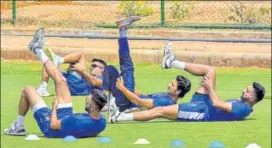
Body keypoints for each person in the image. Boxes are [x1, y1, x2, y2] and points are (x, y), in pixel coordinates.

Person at [109, 41, 266, 122]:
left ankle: (120, 117)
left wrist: (210, 88)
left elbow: (218, 105)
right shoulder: (241, 104)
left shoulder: (243, 109)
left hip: (202, 113)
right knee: (211, 70)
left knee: (160, 111)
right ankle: (172, 62)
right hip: (205, 104)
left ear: (252, 98)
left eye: (247, 91)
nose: (243, 91)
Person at [4, 28, 108, 138]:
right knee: (61, 80)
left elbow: (53, 125)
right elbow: (82, 126)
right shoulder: (102, 122)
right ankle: (38, 50)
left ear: (92, 107)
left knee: (28, 90)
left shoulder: (76, 120)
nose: (85, 99)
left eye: (88, 99)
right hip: (67, 118)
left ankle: (18, 127)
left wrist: (54, 108)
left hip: (51, 128)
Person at [106, 16, 191, 113]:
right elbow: (143, 97)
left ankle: (123, 28)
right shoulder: (167, 97)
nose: (169, 85)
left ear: (178, 91)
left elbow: (139, 102)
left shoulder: (166, 102)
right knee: (123, 69)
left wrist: (122, 88)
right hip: (129, 99)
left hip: (129, 103)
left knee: (127, 67)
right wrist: (130, 87)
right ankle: (123, 29)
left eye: (172, 85)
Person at [36, 47, 107, 97]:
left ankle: (58, 60)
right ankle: (43, 87)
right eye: (92, 65)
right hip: (67, 87)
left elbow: (94, 82)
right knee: (49, 62)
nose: (91, 67)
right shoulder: (88, 75)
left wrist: (82, 71)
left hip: (79, 89)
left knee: (80, 55)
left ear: (102, 69)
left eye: (94, 66)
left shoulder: (103, 79)